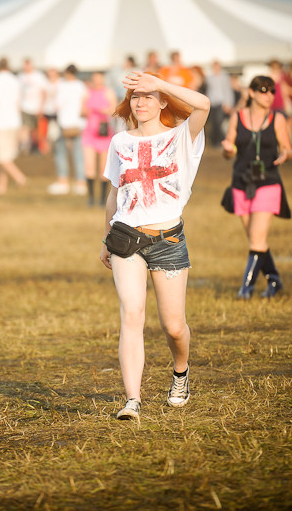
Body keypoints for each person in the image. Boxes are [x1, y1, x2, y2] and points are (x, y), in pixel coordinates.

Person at [100, 71, 209, 420]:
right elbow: (114, 195)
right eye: (135, 96)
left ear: (162, 100)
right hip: (126, 239)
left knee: (173, 326)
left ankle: (181, 371)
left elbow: (203, 104)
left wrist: (158, 82)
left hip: (168, 240)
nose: (141, 102)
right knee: (131, 316)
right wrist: (106, 238)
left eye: (148, 96)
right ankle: (132, 400)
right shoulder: (120, 142)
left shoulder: (182, 137)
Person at [221, 76, 292, 298]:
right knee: (256, 240)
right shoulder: (238, 117)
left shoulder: (277, 118)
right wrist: (228, 149)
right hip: (241, 182)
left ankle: (247, 287)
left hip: (268, 181)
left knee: (256, 237)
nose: (269, 95)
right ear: (251, 93)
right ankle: (274, 280)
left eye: (272, 90)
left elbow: (288, 149)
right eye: (263, 90)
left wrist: (285, 154)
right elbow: (228, 147)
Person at [0, 57, 27, 194]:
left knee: (1, 157)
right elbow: (18, 103)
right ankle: (1, 186)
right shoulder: (15, 81)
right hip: (14, 121)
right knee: (6, 155)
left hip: (0, 122)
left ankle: (20, 178)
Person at [48, 64, 87, 196]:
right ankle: (81, 183)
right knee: (78, 154)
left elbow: (57, 104)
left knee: (61, 153)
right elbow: (84, 103)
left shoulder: (62, 86)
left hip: (63, 123)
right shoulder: (81, 85)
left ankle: (63, 182)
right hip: (78, 123)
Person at [81, 71, 117, 206]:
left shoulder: (108, 93)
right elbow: (81, 111)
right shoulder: (87, 93)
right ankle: (91, 198)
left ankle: (102, 199)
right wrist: (87, 111)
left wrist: (104, 110)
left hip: (104, 132)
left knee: (103, 167)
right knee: (89, 166)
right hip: (90, 132)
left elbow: (114, 110)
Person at [19, 58, 47, 154]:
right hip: (24, 107)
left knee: (37, 129)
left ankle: (38, 146)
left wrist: (41, 107)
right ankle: (25, 147)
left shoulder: (39, 76)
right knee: (25, 127)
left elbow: (43, 92)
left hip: (36, 107)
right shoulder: (21, 76)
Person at [205, 60, 233, 145]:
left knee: (219, 122)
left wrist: (228, 103)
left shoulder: (224, 76)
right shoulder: (209, 77)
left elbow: (227, 90)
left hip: (221, 103)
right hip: (212, 103)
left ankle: (220, 141)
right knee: (213, 123)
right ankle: (214, 141)